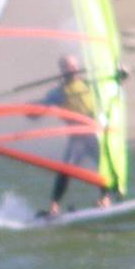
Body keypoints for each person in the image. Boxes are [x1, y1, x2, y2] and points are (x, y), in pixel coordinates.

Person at [39, 53, 117, 218]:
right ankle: (53, 206)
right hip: (77, 138)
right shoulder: (58, 92)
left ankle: (105, 199)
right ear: (62, 70)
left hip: (92, 134)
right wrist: (35, 108)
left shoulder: (90, 85)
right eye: (69, 66)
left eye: (75, 65)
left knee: (105, 166)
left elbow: (111, 84)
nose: (73, 69)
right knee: (67, 169)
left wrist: (120, 75)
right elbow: (39, 109)